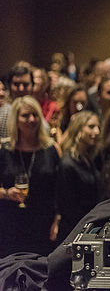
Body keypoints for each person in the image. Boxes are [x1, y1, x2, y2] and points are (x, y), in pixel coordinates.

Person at [0, 96, 60, 257]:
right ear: (15, 119)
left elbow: (59, 190)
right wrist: (6, 193)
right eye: (25, 115)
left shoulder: (51, 149)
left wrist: (57, 220)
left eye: (35, 115)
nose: (31, 120)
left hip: (42, 222)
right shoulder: (4, 149)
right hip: (10, 222)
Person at [57, 111, 100, 243]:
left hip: (88, 225)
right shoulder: (67, 163)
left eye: (98, 127)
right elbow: (67, 206)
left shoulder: (88, 158)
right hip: (74, 231)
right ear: (78, 129)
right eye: (91, 126)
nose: (97, 131)